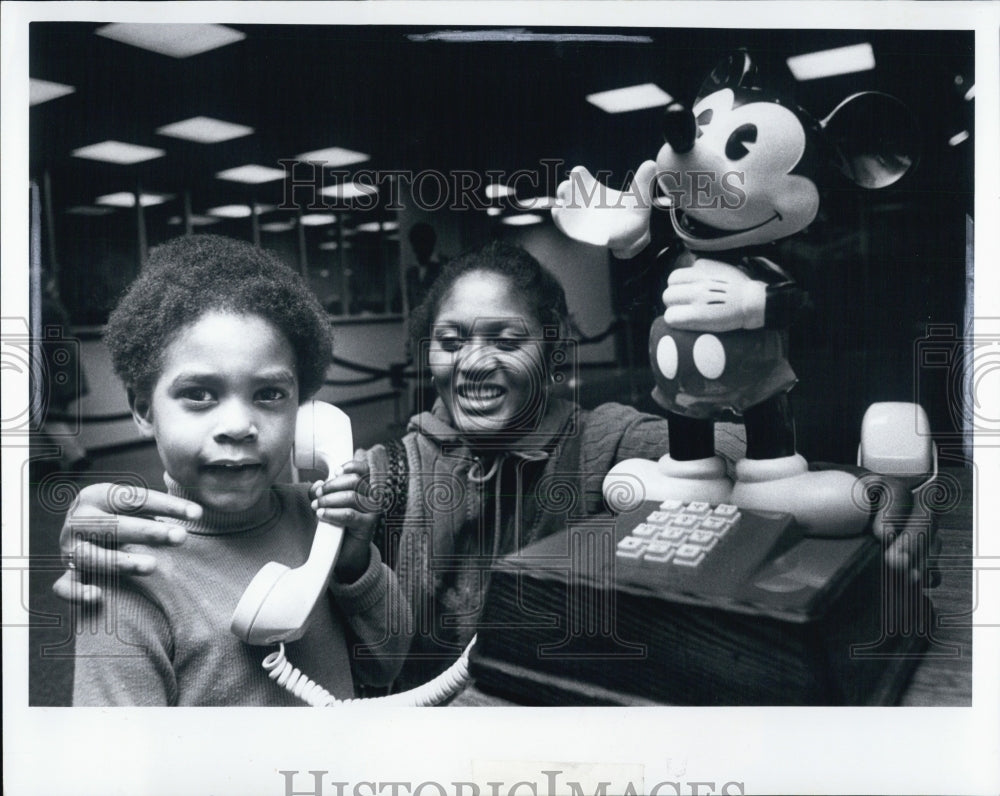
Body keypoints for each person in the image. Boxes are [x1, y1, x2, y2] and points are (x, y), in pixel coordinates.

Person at [56, 241, 935, 695]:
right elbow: (250, 519)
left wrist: (878, 495)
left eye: (506, 339)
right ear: (426, 355)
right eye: (452, 340)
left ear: (553, 352)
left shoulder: (608, 438)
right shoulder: (388, 466)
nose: (475, 362)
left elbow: (738, 474)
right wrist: (94, 511)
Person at [68, 234, 409, 706]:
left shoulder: (317, 519)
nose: (238, 426)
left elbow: (389, 661)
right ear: (145, 409)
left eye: (269, 394)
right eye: (200, 394)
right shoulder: (126, 572)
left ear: (303, 413)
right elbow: (119, 770)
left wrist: (354, 565)